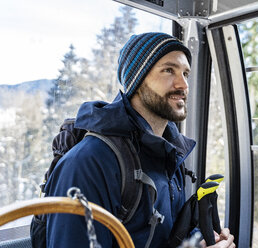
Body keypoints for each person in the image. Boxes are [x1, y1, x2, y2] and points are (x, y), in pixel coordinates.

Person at [45, 32, 235, 248]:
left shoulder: (170, 154)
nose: (183, 85)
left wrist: (199, 242)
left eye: (185, 73)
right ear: (137, 79)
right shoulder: (88, 163)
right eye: (168, 70)